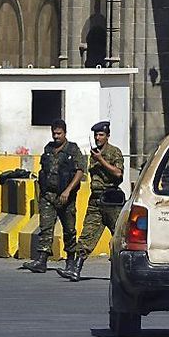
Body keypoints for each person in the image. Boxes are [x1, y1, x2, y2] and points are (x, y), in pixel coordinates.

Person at [59, 120, 124, 282]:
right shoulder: (93, 154)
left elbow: (118, 174)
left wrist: (101, 160)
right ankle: (76, 269)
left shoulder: (114, 152)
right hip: (95, 200)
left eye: (101, 135)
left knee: (119, 238)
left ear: (107, 136)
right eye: (96, 135)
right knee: (87, 234)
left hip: (111, 201)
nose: (97, 137)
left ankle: (121, 273)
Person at [22, 119, 85, 273]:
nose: (56, 136)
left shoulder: (73, 150)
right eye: (54, 133)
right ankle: (42, 259)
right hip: (48, 195)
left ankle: (70, 260)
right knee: (45, 227)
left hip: (65, 196)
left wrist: (68, 190)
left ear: (65, 133)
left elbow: (80, 171)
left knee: (69, 230)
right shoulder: (48, 149)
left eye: (59, 133)